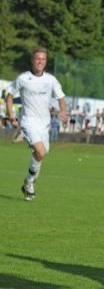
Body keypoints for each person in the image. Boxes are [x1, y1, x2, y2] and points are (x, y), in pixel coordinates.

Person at [5, 47, 67, 201]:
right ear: (32, 61)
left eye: (43, 59)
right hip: (28, 121)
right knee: (39, 151)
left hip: (44, 124)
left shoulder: (51, 79)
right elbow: (9, 96)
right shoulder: (23, 78)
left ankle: (28, 182)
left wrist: (63, 112)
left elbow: (61, 98)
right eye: (38, 58)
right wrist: (12, 116)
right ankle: (30, 183)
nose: (40, 62)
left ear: (46, 62)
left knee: (40, 154)